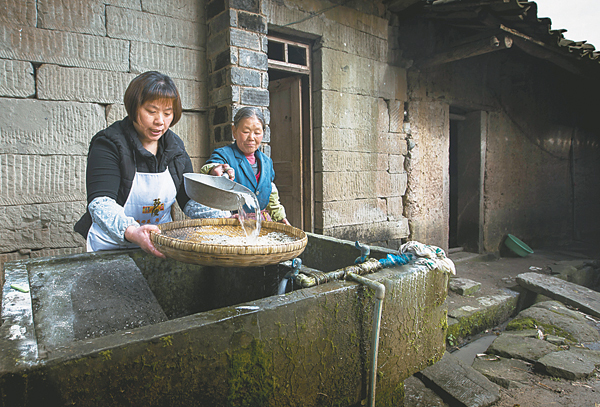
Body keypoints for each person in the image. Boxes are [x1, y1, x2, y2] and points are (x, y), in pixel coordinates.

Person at [74, 71, 228, 258]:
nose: (160, 122)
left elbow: (189, 199)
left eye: (167, 113)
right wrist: (132, 232)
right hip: (111, 247)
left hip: (159, 243)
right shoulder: (109, 144)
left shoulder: (175, 147)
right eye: (151, 111)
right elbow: (101, 203)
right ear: (134, 108)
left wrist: (224, 218)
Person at [201, 107, 290, 225]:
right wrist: (216, 170)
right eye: (246, 131)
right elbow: (211, 167)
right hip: (234, 223)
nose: (251, 138)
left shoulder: (267, 162)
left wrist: (280, 217)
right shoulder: (224, 155)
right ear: (234, 131)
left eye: (257, 132)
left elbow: (271, 193)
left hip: (261, 222)